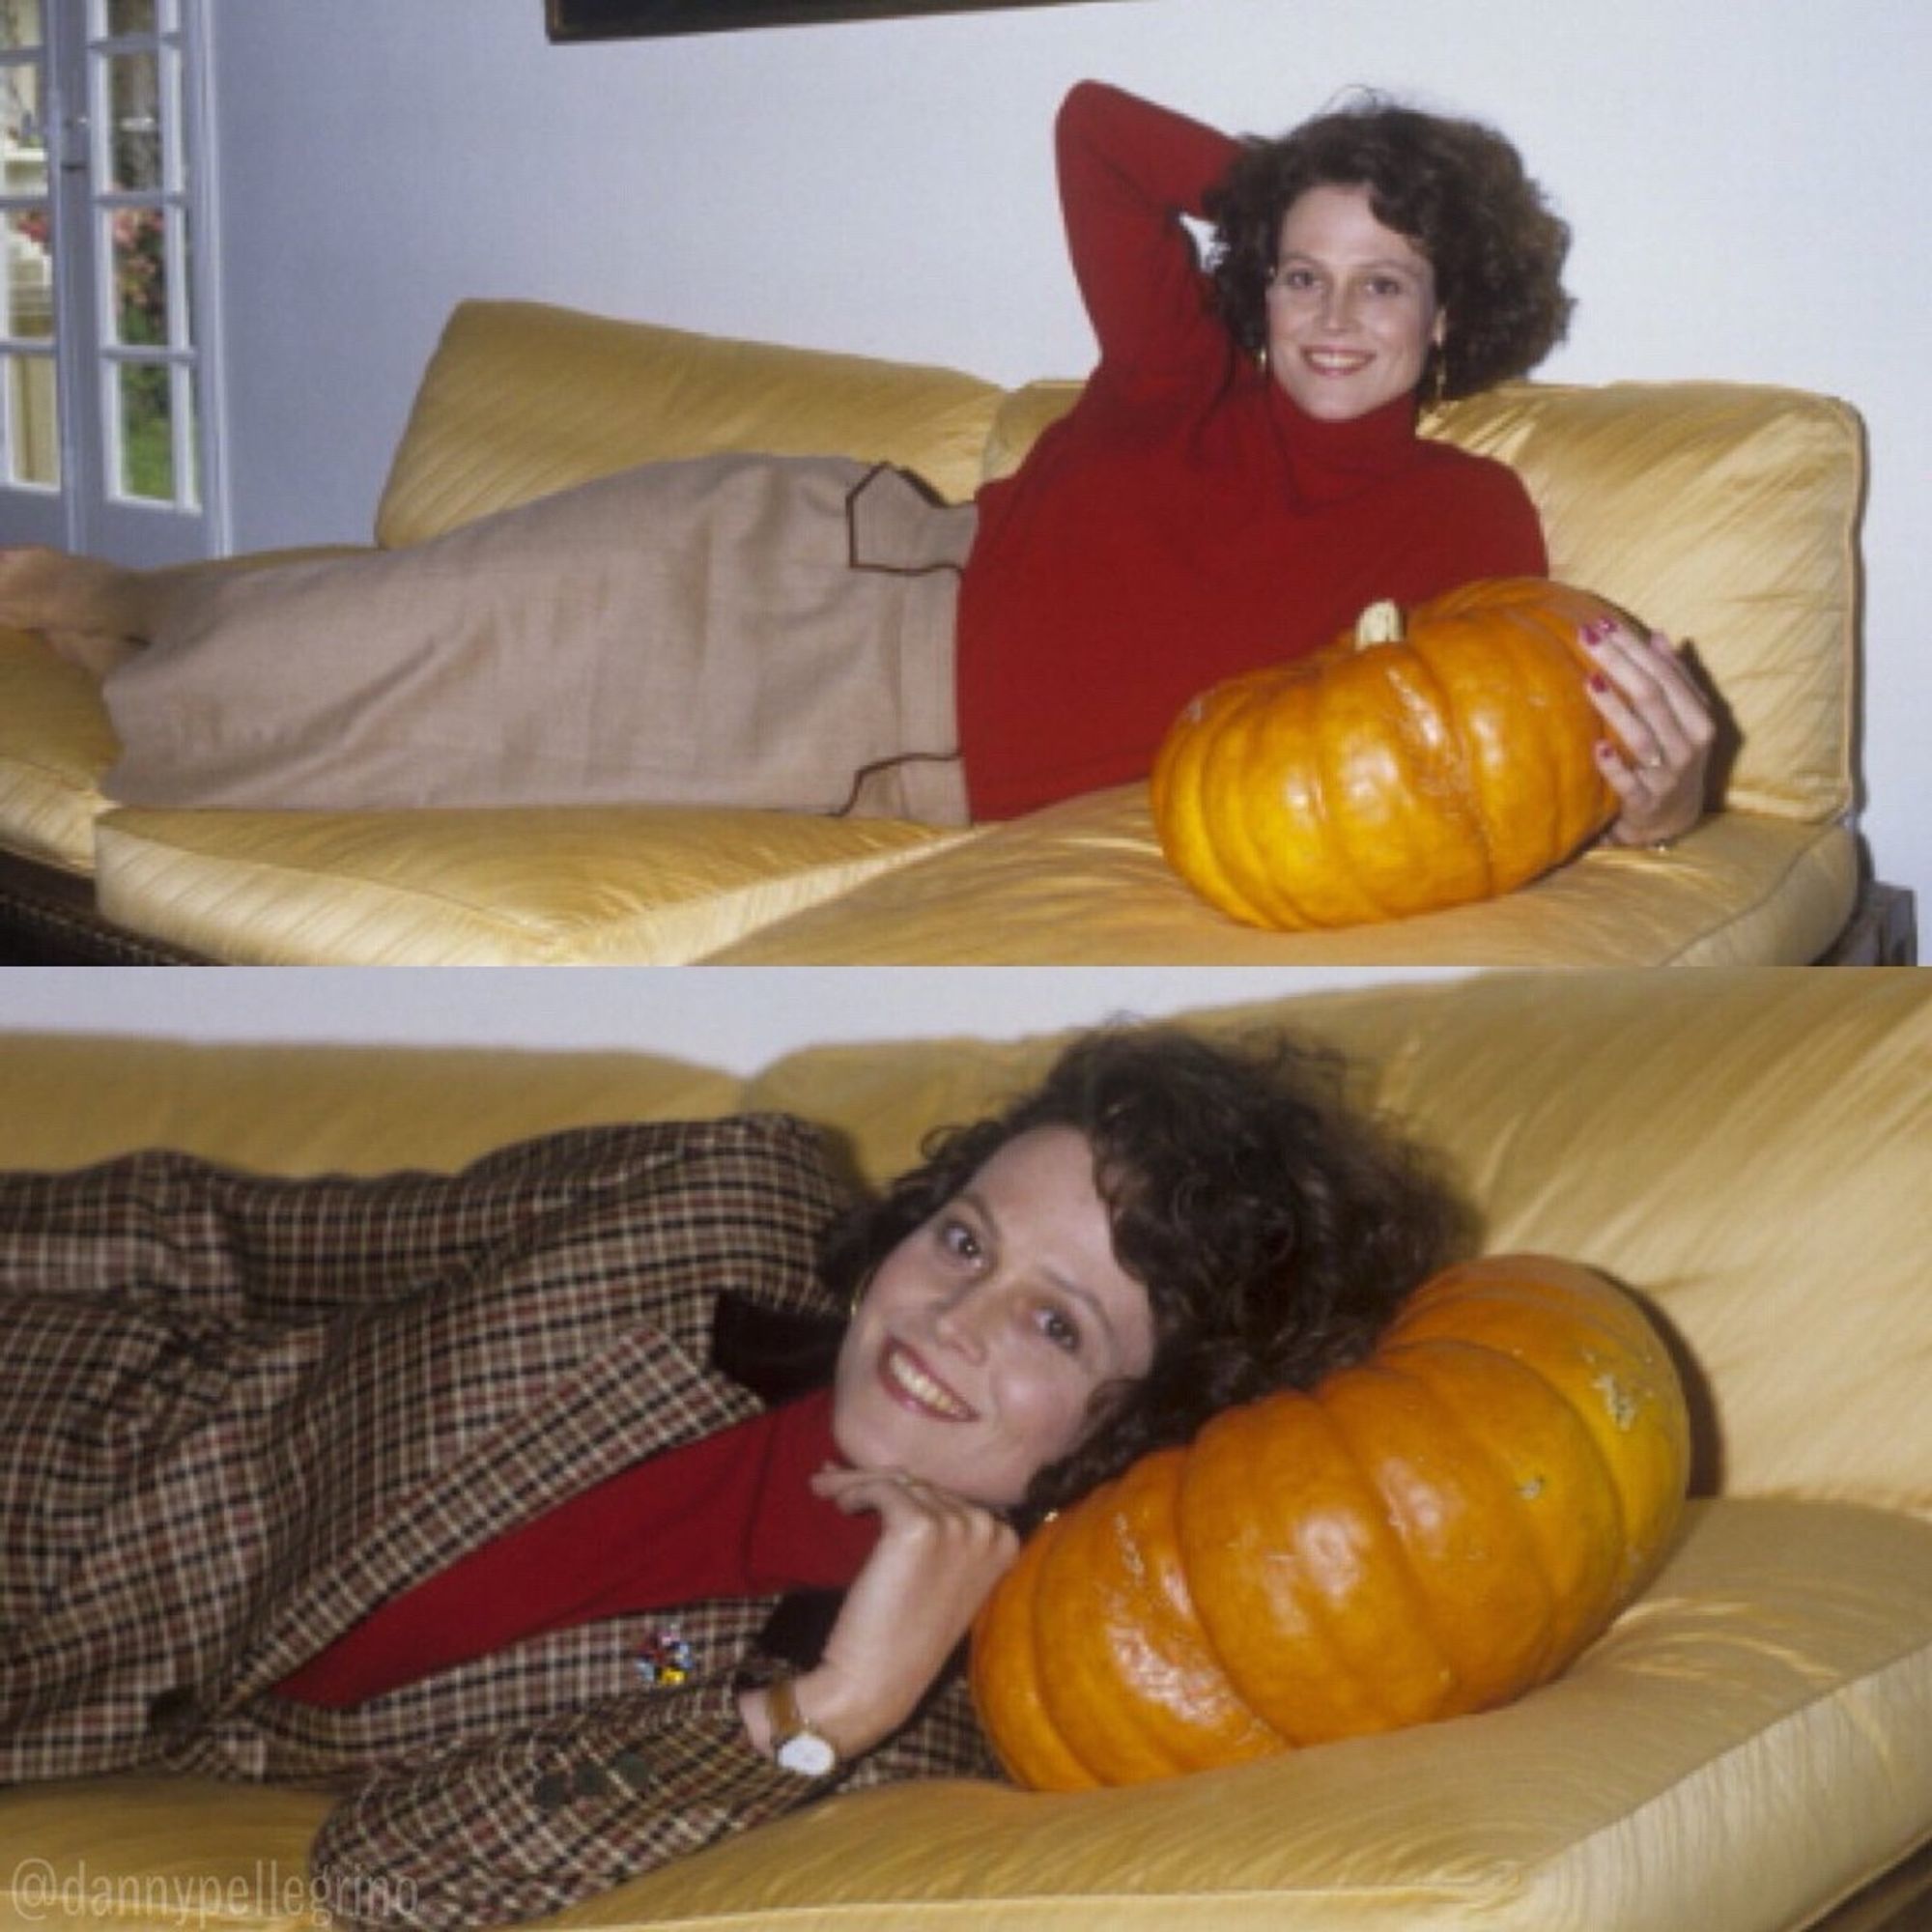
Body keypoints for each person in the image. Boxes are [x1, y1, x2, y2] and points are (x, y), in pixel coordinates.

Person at [0, 1024, 1461, 1930]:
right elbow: (216, 1238)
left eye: (1055, 1321)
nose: (950, 1318)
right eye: (963, 1239)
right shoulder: (715, 1209)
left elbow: (391, 1880)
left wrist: (822, 1713)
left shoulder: (921, 1732)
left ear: (1140, 1433)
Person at [0, 83, 1710, 844]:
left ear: (1446, 312)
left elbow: (1527, 742)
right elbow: (1096, 130)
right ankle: (145, 599)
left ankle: (165, 618)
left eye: (1386, 281)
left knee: (421, 726)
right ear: (1258, 281)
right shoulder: (1180, 369)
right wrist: (1315, 180)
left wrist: (1669, 800)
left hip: (884, 755)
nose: (1336, 317)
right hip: (817, 574)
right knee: (444, 608)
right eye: (1304, 272)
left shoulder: (1471, 517)